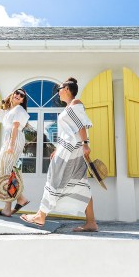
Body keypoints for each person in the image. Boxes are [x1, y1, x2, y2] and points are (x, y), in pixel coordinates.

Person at [20, 77, 98, 232]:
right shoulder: (69, 107)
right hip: (68, 149)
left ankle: (40, 215)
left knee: (54, 179)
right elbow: (68, 131)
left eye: (59, 89)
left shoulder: (75, 104)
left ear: (67, 90)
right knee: (79, 183)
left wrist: (85, 144)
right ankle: (91, 222)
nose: (58, 92)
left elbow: (81, 125)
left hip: (71, 151)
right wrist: (57, 148)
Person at [0, 88, 30, 217]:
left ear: (23, 100)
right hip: (8, 141)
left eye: (21, 95)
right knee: (5, 172)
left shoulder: (19, 110)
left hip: (14, 140)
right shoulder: (9, 111)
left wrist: (11, 145)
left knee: (7, 172)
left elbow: (15, 127)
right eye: (16, 93)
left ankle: (17, 201)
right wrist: (4, 100)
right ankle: (14, 203)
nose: (18, 95)